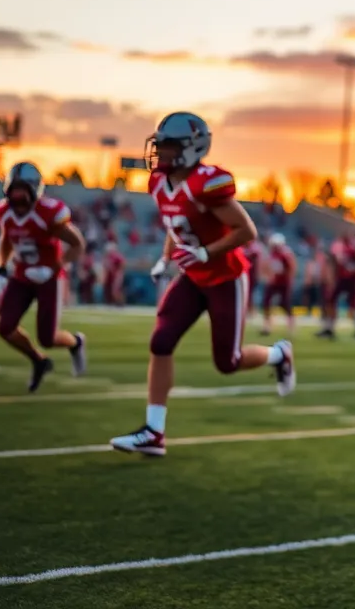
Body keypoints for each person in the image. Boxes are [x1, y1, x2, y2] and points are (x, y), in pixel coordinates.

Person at [110, 112, 296, 457]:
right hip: (193, 276)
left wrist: (205, 252)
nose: (160, 153)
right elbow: (174, 225)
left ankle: (278, 354)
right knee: (161, 340)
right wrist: (166, 261)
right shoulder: (157, 183)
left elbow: (246, 231)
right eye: (160, 145)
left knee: (227, 362)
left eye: (168, 147)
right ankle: (154, 431)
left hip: (225, 276)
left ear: (191, 149)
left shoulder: (207, 184)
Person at [0, 161, 88, 392]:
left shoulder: (48, 214)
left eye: (22, 194)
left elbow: (77, 244)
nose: (17, 200)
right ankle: (38, 360)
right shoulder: (4, 212)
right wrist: (1, 266)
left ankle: (76, 342)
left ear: (34, 192)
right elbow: (7, 239)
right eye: (13, 193)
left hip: (49, 277)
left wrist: (56, 266)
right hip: (22, 275)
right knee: (5, 327)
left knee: (47, 337)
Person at [261, 233, 297, 337]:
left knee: (285, 304)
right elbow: (267, 266)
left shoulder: (285, 254)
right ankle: (267, 326)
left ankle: (291, 326)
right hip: (273, 282)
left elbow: (291, 268)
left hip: (283, 282)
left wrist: (288, 279)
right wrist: (268, 276)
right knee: (266, 302)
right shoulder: (271, 254)